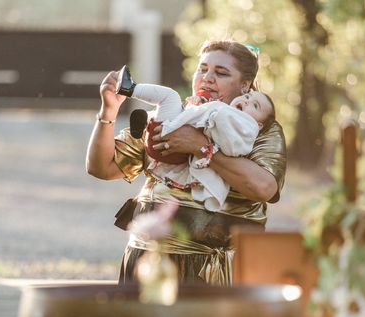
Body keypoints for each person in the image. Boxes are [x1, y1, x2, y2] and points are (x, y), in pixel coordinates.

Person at [85, 39, 287, 285]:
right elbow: (101, 167)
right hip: (148, 263)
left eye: (221, 73)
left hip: (216, 272)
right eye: (202, 69)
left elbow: (264, 187)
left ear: (245, 86)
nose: (207, 78)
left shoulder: (259, 128)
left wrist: (200, 147)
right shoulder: (169, 117)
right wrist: (108, 110)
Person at [114, 65, 276, 212]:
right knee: (170, 99)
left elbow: (229, 143)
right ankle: (147, 120)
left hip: (168, 145)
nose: (246, 102)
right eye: (248, 98)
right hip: (166, 142)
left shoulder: (246, 127)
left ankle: (132, 91)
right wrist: (198, 107)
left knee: (170, 97)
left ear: (259, 125)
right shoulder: (229, 113)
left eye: (255, 106)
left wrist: (207, 122)